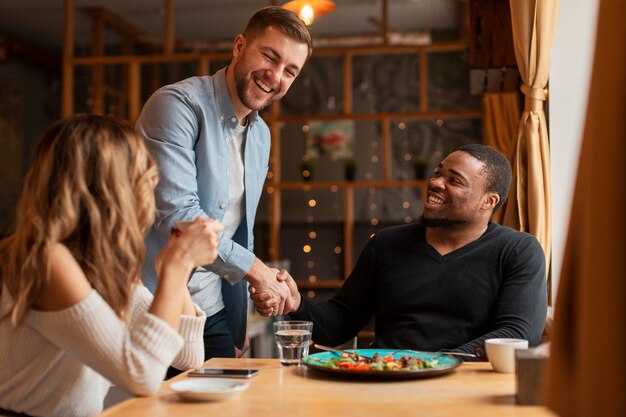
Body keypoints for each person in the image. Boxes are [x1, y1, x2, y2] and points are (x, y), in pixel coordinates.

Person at [0, 114, 223, 417]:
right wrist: (177, 265)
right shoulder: (45, 257)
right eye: (142, 178)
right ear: (110, 186)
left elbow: (189, 355)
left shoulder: (99, 260)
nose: (150, 192)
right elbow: (142, 375)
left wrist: (175, 271)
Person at [251, 144, 548, 359]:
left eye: (454, 180)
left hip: (468, 389)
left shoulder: (519, 251)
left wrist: (433, 363)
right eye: (438, 173)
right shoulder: (386, 244)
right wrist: (297, 304)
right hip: (387, 382)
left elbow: (518, 334)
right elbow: (341, 322)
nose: (435, 183)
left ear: (488, 201)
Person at [135, 6, 312, 360]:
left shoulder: (261, 134)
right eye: (269, 56)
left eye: (289, 70)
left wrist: (240, 315)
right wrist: (256, 272)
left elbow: (236, 229)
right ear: (239, 46)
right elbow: (179, 218)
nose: (275, 76)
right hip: (151, 301)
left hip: (212, 308)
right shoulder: (177, 105)